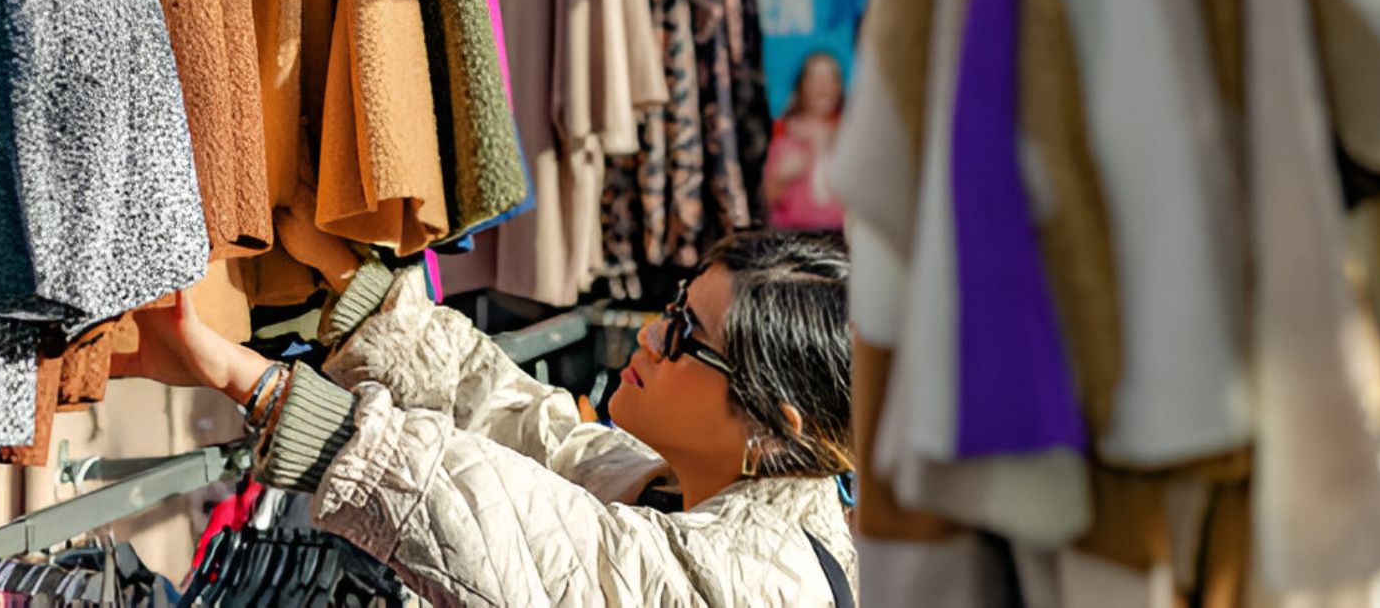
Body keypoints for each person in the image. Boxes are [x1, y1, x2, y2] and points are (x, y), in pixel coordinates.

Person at [124, 229, 857, 605]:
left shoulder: (757, 587)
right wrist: (369, 303)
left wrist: (244, 379)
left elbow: (526, 540)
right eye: (671, 305)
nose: (649, 335)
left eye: (685, 334)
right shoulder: (715, 499)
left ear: (773, 424)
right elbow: (536, 439)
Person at [764, 52, 848, 230]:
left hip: (839, 237)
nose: (823, 87)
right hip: (796, 236)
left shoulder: (849, 138)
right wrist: (781, 178)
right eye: (815, 79)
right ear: (802, 86)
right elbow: (769, 197)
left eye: (830, 79)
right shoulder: (785, 135)